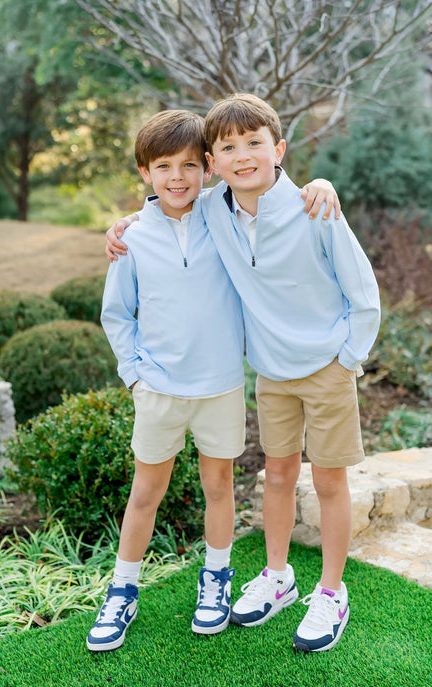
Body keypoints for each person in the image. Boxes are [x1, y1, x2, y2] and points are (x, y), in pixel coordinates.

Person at [106, 94, 380, 653]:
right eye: (228, 148)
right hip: (271, 372)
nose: (243, 156)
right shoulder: (214, 209)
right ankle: (278, 577)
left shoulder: (314, 207)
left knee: (328, 481)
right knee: (276, 476)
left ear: (278, 150)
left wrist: (348, 358)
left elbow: (362, 289)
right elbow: (166, 204)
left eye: (255, 143)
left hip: (327, 367)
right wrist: (125, 225)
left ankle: (332, 593)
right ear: (215, 163)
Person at [87, 109, 246, 651]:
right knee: (145, 492)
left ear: (208, 167)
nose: (177, 177)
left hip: (221, 386)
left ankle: (216, 579)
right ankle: (123, 590)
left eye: (188, 165)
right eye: (163, 167)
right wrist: (135, 377)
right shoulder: (132, 237)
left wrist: (319, 185)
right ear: (144, 172)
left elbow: (267, 189)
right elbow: (117, 314)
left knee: (219, 487)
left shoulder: (226, 213)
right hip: (158, 388)